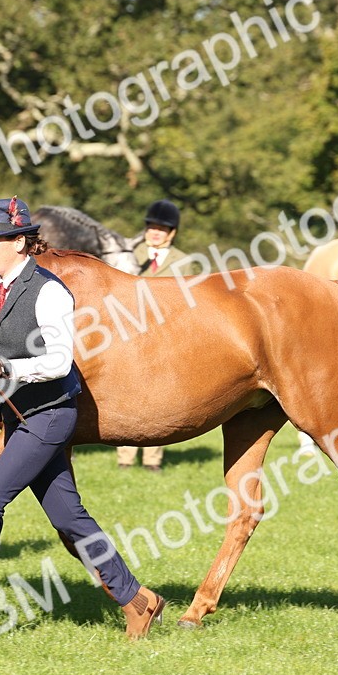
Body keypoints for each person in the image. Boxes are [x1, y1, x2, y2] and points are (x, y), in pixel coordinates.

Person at [0, 196, 165, 640]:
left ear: (19, 243)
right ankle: (139, 601)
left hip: (49, 416)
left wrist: (10, 369)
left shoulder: (49, 292)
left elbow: (60, 361)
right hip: (18, 414)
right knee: (70, 519)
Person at [117, 199, 199, 472]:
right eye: (151, 226)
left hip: (164, 335)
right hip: (127, 333)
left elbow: (190, 301)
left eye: (161, 229)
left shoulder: (184, 263)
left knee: (157, 395)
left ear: (172, 233)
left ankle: (153, 459)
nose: (155, 232)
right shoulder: (128, 255)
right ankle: (125, 457)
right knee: (124, 391)